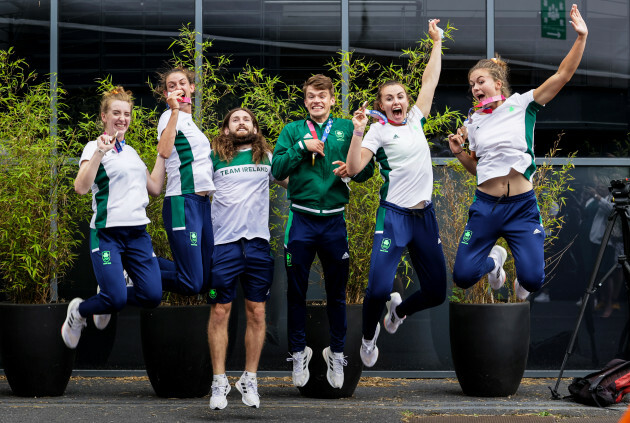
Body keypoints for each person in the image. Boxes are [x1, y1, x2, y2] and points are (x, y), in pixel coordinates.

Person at [447, 4, 588, 300]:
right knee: (462, 276)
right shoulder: (471, 122)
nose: (475, 88)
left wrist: (581, 38)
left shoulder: (522, 105)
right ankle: (494, 263)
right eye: (471, 84)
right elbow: (479, 167)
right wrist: (461, 154)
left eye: (480, 81)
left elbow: (562, 75)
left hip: (522, 207)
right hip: (486, 206)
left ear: (497, 83)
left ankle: (514, 267)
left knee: (533, 280)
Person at [345, 19, 447, 368]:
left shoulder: (417, 118)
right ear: (381, 105)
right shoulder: (377, 130)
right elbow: (356, 169)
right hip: (394, 216)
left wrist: (437, 42)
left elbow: (429, 80)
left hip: (424, 217)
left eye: (400, 96)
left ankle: (398, 311)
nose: (396, 101)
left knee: (435, 292)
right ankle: (369, 336)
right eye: (389, 98)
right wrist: (358, 131)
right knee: (375, 289)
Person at [272, 74, 375, 389]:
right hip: (301, 220)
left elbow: (367, 172)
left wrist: (352, 166)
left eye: (322, 96)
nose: (316, 101)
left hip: (334, 222)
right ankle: (299, 351)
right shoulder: (292, 130)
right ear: (305, 101)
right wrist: (302, 147)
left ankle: (338, 352)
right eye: (311, 97)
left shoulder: (346, 127)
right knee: (296, 293)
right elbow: (277, 170)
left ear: (332, 100)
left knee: (337, 294)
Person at [62, 86, 165, 349]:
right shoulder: (92, 148)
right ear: (104, 116)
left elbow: (153, 188)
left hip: (138, 234)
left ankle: (109, 291)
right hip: (107, 233)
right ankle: (79, 312)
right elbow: (81, 187)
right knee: (116, 300)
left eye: (127, 114)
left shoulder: (131, 153)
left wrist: (163, 154)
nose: (122, 118)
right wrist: (100, 152)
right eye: (116, 113)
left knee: (152, 295)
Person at [207, 108, 287, 410]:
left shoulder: (266, 157)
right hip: (223, 246)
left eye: (247, 119)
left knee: (256, 312)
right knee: (219, 311)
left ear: (254, 127)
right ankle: (218, 381)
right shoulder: (214, 156)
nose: (242, 122)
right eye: (235, 119)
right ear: (226, 129)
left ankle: (250, 379)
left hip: (257, 246)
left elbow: (296, 183)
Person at [156, 67, 215, 296]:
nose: (178, 88)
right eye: (172, 86)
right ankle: (133, 271)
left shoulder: (191, 123)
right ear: (166, 94)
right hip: (183, 201)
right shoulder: (169, 117)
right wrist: (173, 111)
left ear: (192, 88)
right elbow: (163, 150)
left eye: (182, 83)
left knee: (207, 278)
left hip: (202, 205)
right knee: (192, 283)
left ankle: (141, 264)